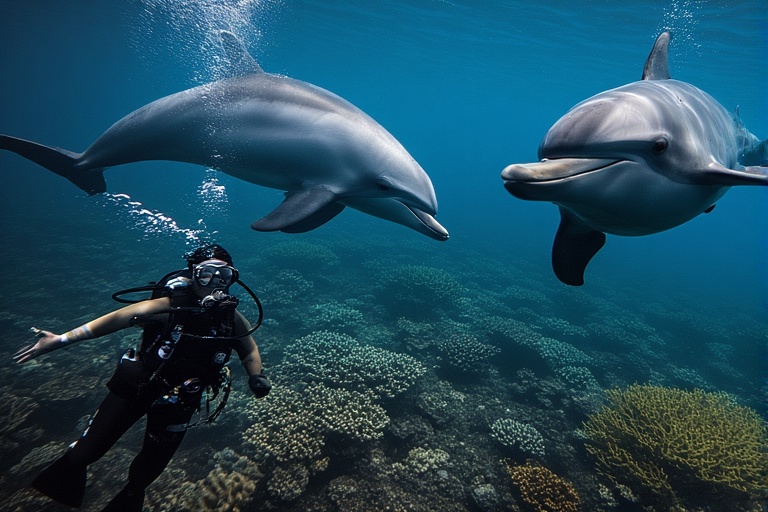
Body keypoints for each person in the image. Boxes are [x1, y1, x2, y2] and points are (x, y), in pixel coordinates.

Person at [14, 243, 271, 511]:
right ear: (193, 273)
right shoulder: (170, 305)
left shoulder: (230, 316)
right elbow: (117, 318)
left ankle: (128, 498)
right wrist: (60, 340)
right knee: (84, 453)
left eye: (224, 276)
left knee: (149, 469)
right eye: (207, 274)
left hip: (181, 399)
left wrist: (256, 375)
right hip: (139, 386)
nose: (215, 282)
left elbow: (248, 347)